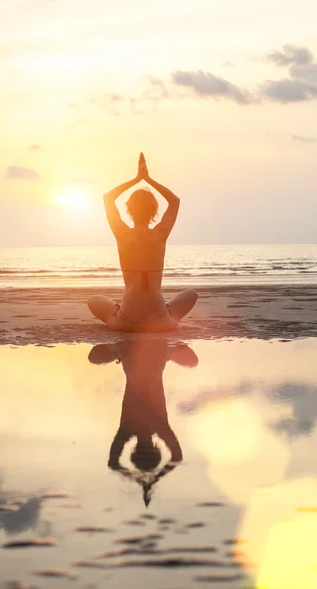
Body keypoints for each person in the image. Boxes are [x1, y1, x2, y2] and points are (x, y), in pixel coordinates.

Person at [87, 153, 198, 332]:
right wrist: (148, 179)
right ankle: (169, 313)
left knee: (93, 300)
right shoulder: (160, 234)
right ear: (155, 211)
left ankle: (116, 311)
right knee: (191, 294)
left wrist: (136, 179)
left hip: (126, 321)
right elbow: (174, 201)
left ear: (129, 211)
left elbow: (108, 198)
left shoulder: (122, 234)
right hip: (159, 322)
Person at [88, 340, 199, 506]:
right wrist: (141, 480)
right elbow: (113, 464)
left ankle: (129, 350)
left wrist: (154, 479)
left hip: (148, 350)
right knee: (188, 360)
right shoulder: (128, 430)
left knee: (98, 357)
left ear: (157, 448)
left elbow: (177, 457)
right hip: (136, 350)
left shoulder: (159, 427)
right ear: (133, 451)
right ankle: (128, 350)